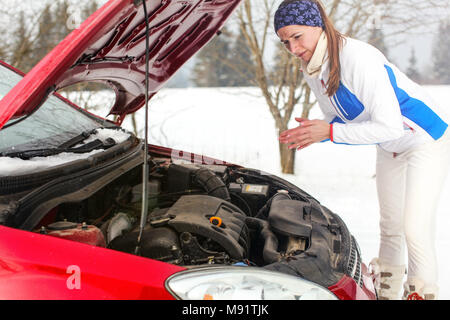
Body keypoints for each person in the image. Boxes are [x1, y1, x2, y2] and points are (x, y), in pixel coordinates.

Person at [275, 0, 450, 300]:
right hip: (390, 145)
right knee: (389, 225)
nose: (292, 48)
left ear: (316, 26)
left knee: (414, 227)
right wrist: (318, 130)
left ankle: (422, 293)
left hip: (424, 138)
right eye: (284, 42)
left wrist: (329, 132)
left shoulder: (357, 57)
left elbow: (390, 125)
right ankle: (387, 293)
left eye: (297, 36)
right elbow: (340, 115)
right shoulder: (312, 67)